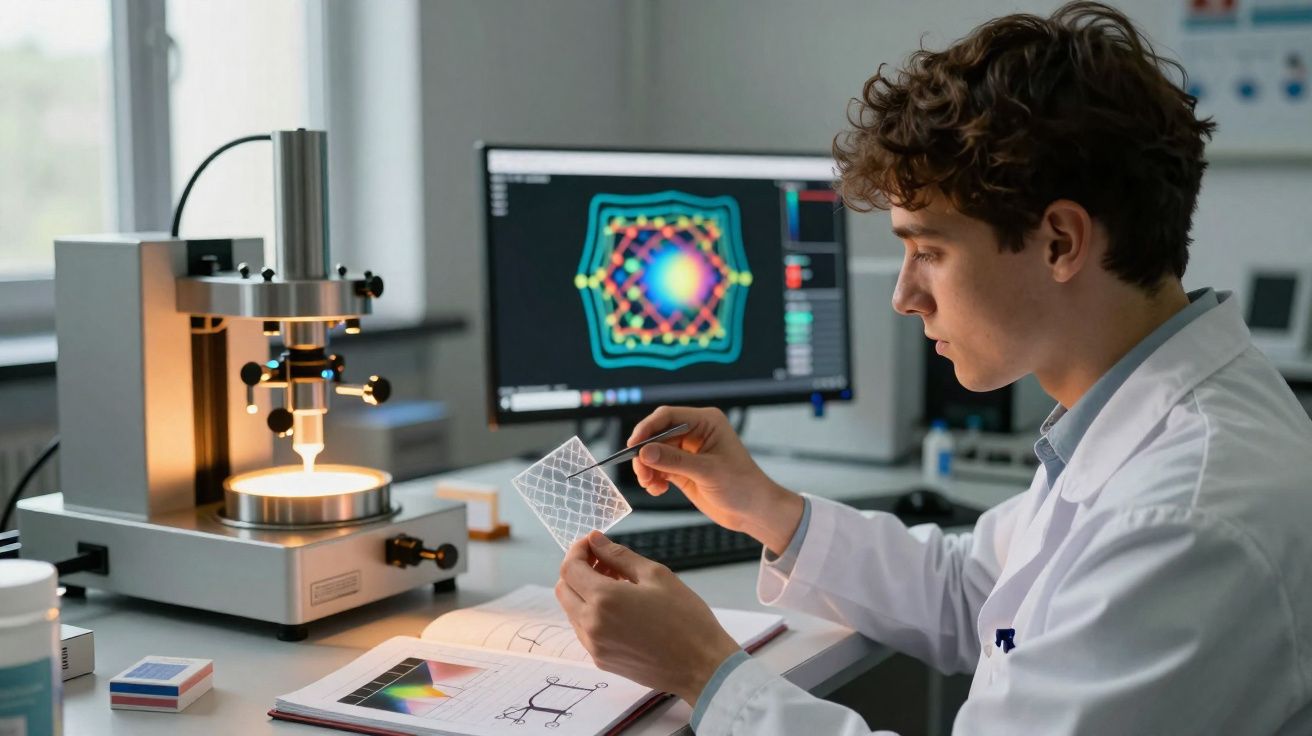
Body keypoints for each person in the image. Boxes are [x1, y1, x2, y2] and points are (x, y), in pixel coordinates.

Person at [554, 2, 1312, 733]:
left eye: (930, 251)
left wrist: (705, 672)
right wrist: (760, 503)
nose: (904, 296)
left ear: (1059, 242)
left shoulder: (1183, 518)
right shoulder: (1132, 419)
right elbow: (970, 592)